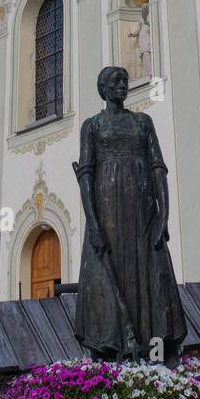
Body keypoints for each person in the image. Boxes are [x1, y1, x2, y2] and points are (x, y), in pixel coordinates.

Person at [73, 66, 186, 361]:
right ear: (104, 88)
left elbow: (157, 167)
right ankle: (114, 348)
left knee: (152, 272)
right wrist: (94, 225)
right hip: (107, 211)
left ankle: (155, 350)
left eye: (124, 81)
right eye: (116, 82)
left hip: (143, 211)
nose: (123, 86)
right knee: (107, 278)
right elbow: (85, 175)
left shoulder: (142, 122)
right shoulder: (92, 126)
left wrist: (164, 214)